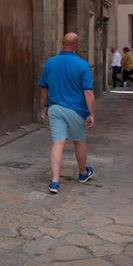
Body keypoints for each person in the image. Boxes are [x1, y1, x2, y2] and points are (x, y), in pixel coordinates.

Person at [38, 33, 94, 194]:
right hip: (76, 110)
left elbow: (44, 87)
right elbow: (88, 93)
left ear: (63, 43)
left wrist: (46, 105)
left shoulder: (50, 63)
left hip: (55, 108)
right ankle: (83, 173)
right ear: (77, 45)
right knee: (79, 142)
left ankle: (55, 181)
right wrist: (92, 114)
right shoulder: (82, 65)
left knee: (58, 143)